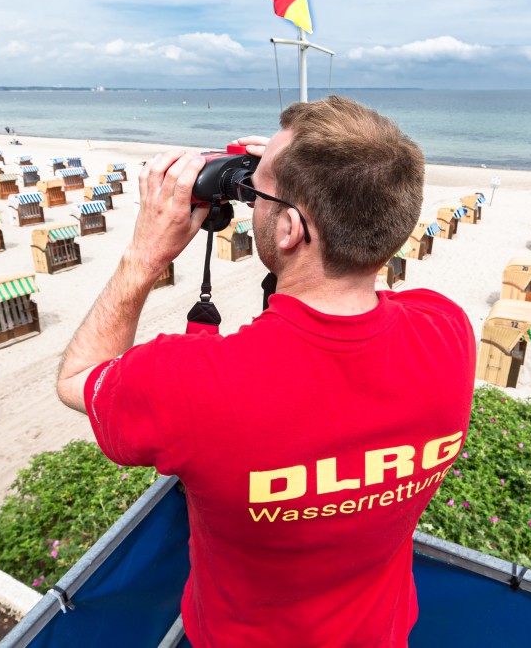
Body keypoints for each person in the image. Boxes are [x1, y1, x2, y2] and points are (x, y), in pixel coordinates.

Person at [56, 96, 475, 647]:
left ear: (290, 231)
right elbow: (353, 286)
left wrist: (145, 254)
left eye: (259, 191)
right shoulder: (448, 333)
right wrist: (303, 176)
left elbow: (77, 377)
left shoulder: (191, 384)